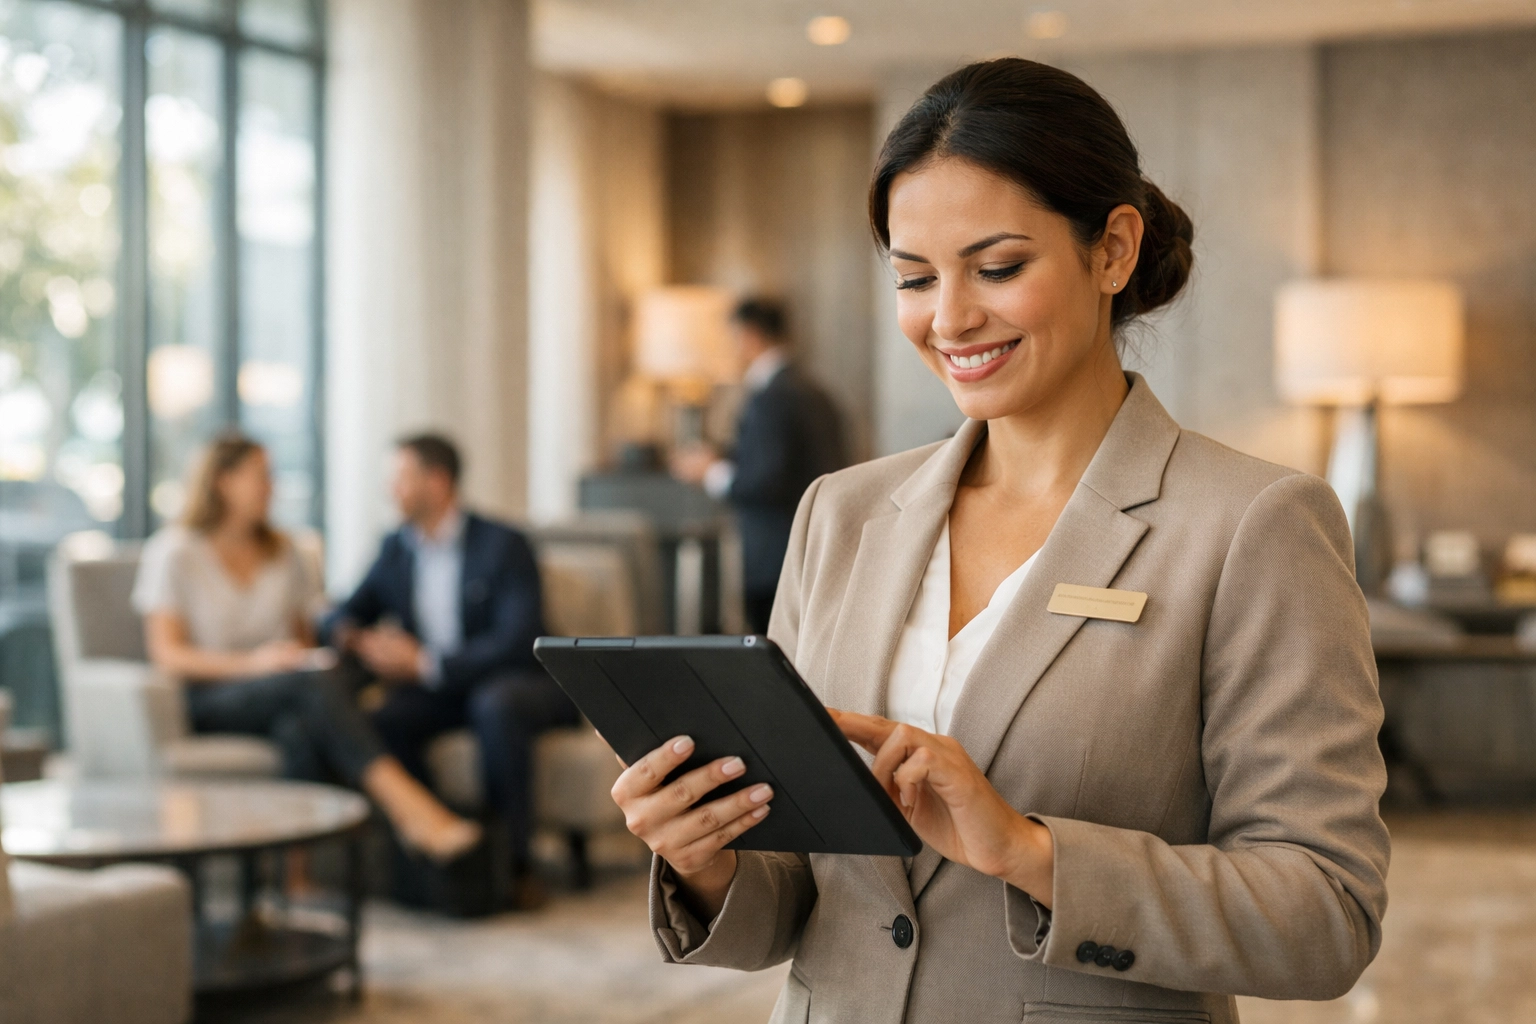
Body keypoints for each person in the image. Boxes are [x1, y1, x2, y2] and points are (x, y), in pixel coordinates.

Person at [613, 59, 1390, 1023]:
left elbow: (1327, 914)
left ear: (1112, 250)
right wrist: (705, 856)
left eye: (998, 267)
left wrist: (1031, 851)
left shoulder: (1253, 526)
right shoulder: (841, 515)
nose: (949, 319)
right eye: (914, 277)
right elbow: (805, 897)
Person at [134, 434, 481, 864]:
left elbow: (308, 636)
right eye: (262, 476)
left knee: (300, 724)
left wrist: (333, 649)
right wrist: (256, 664)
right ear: (223, 481)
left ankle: (296, 880)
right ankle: (408, 806)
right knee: (309, 690)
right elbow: (168, 655)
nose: (272, 487)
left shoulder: (286, 552)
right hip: (213, 693)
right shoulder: (175, 552)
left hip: (285, 688)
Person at [325, 433, 578, 905]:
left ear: (438, 482)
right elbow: (344, 611)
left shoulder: (504, 545)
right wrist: (357, 638)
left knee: (494, 706)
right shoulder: (397, 547)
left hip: (523, 682)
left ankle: (515, 865)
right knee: (384, 720)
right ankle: (442, 851)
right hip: (444, 690)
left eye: (401, 478)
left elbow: (519, 642)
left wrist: (425, 662)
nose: (391, 490)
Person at [672, 298, 846, 634]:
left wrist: (709, 472)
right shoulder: (815, 390)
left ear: (749, 335)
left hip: (775, 557)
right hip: (818, 548)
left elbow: (765, 480)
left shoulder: (773, 396)